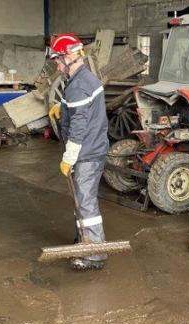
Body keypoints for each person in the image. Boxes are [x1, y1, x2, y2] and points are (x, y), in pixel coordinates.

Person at [47, 33, 110, 270]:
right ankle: (84, 239)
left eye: (58, 59)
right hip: (92, 149)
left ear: (69, 56)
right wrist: (62, 107)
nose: (56, 63)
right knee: (82, 201)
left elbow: (80, 126)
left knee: (85, 203)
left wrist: (69, 157)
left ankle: (94, 253)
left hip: (87, 153)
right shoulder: (81, 79)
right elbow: (81, 111)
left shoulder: (79, 86)